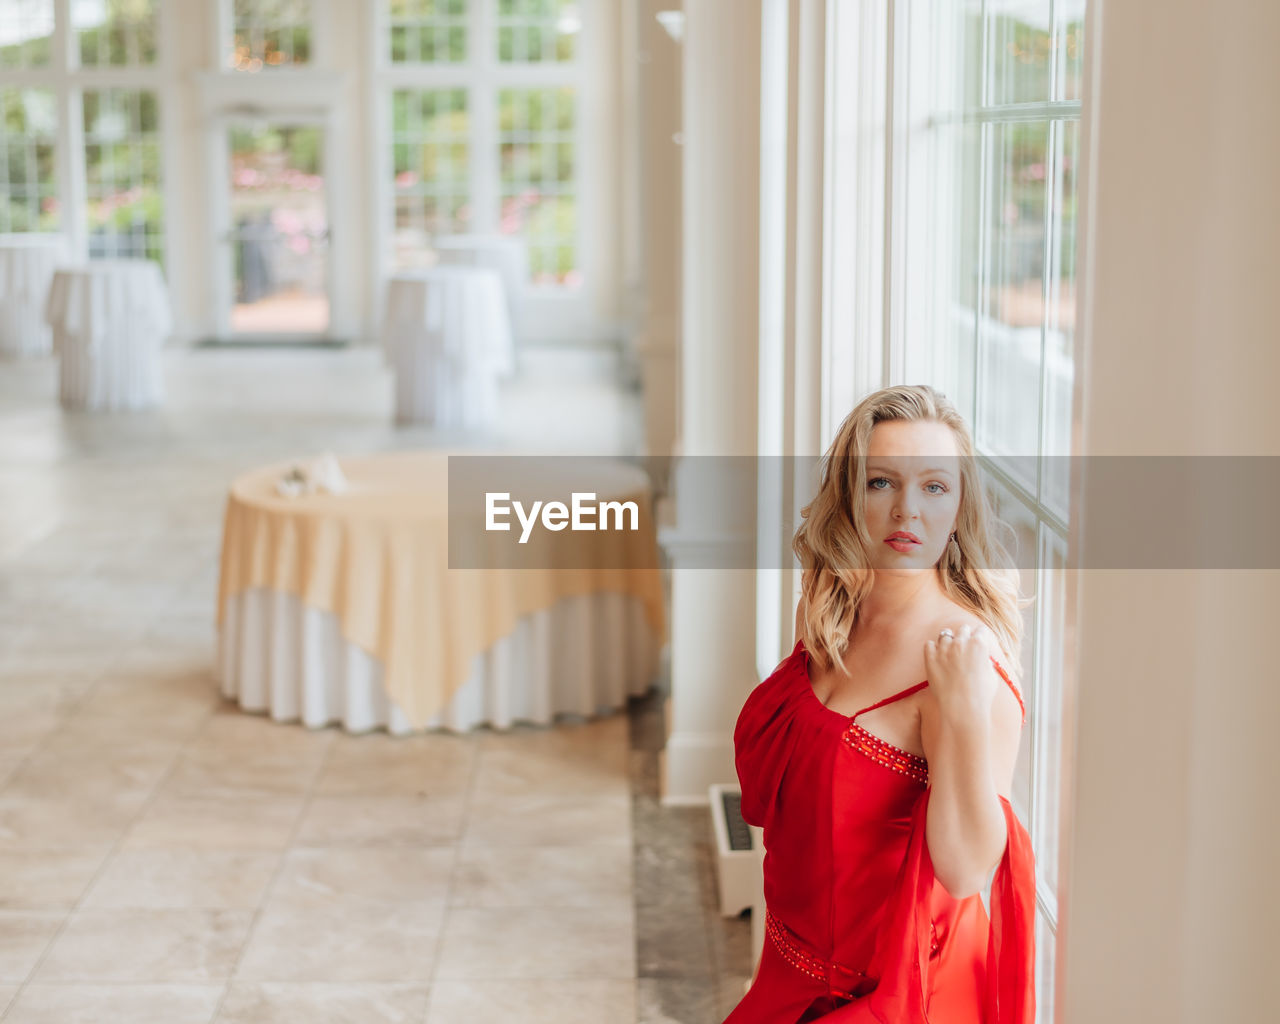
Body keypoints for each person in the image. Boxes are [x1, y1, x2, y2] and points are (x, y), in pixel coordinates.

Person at [724, 384, 1037, 1023]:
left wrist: (965, 712)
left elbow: (967, 870)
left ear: (959, 506)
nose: (906, 513)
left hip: (895, 995)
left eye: (934, 487)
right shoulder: (831, 604)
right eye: (881, 483)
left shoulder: (966, 661)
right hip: (790, 966)